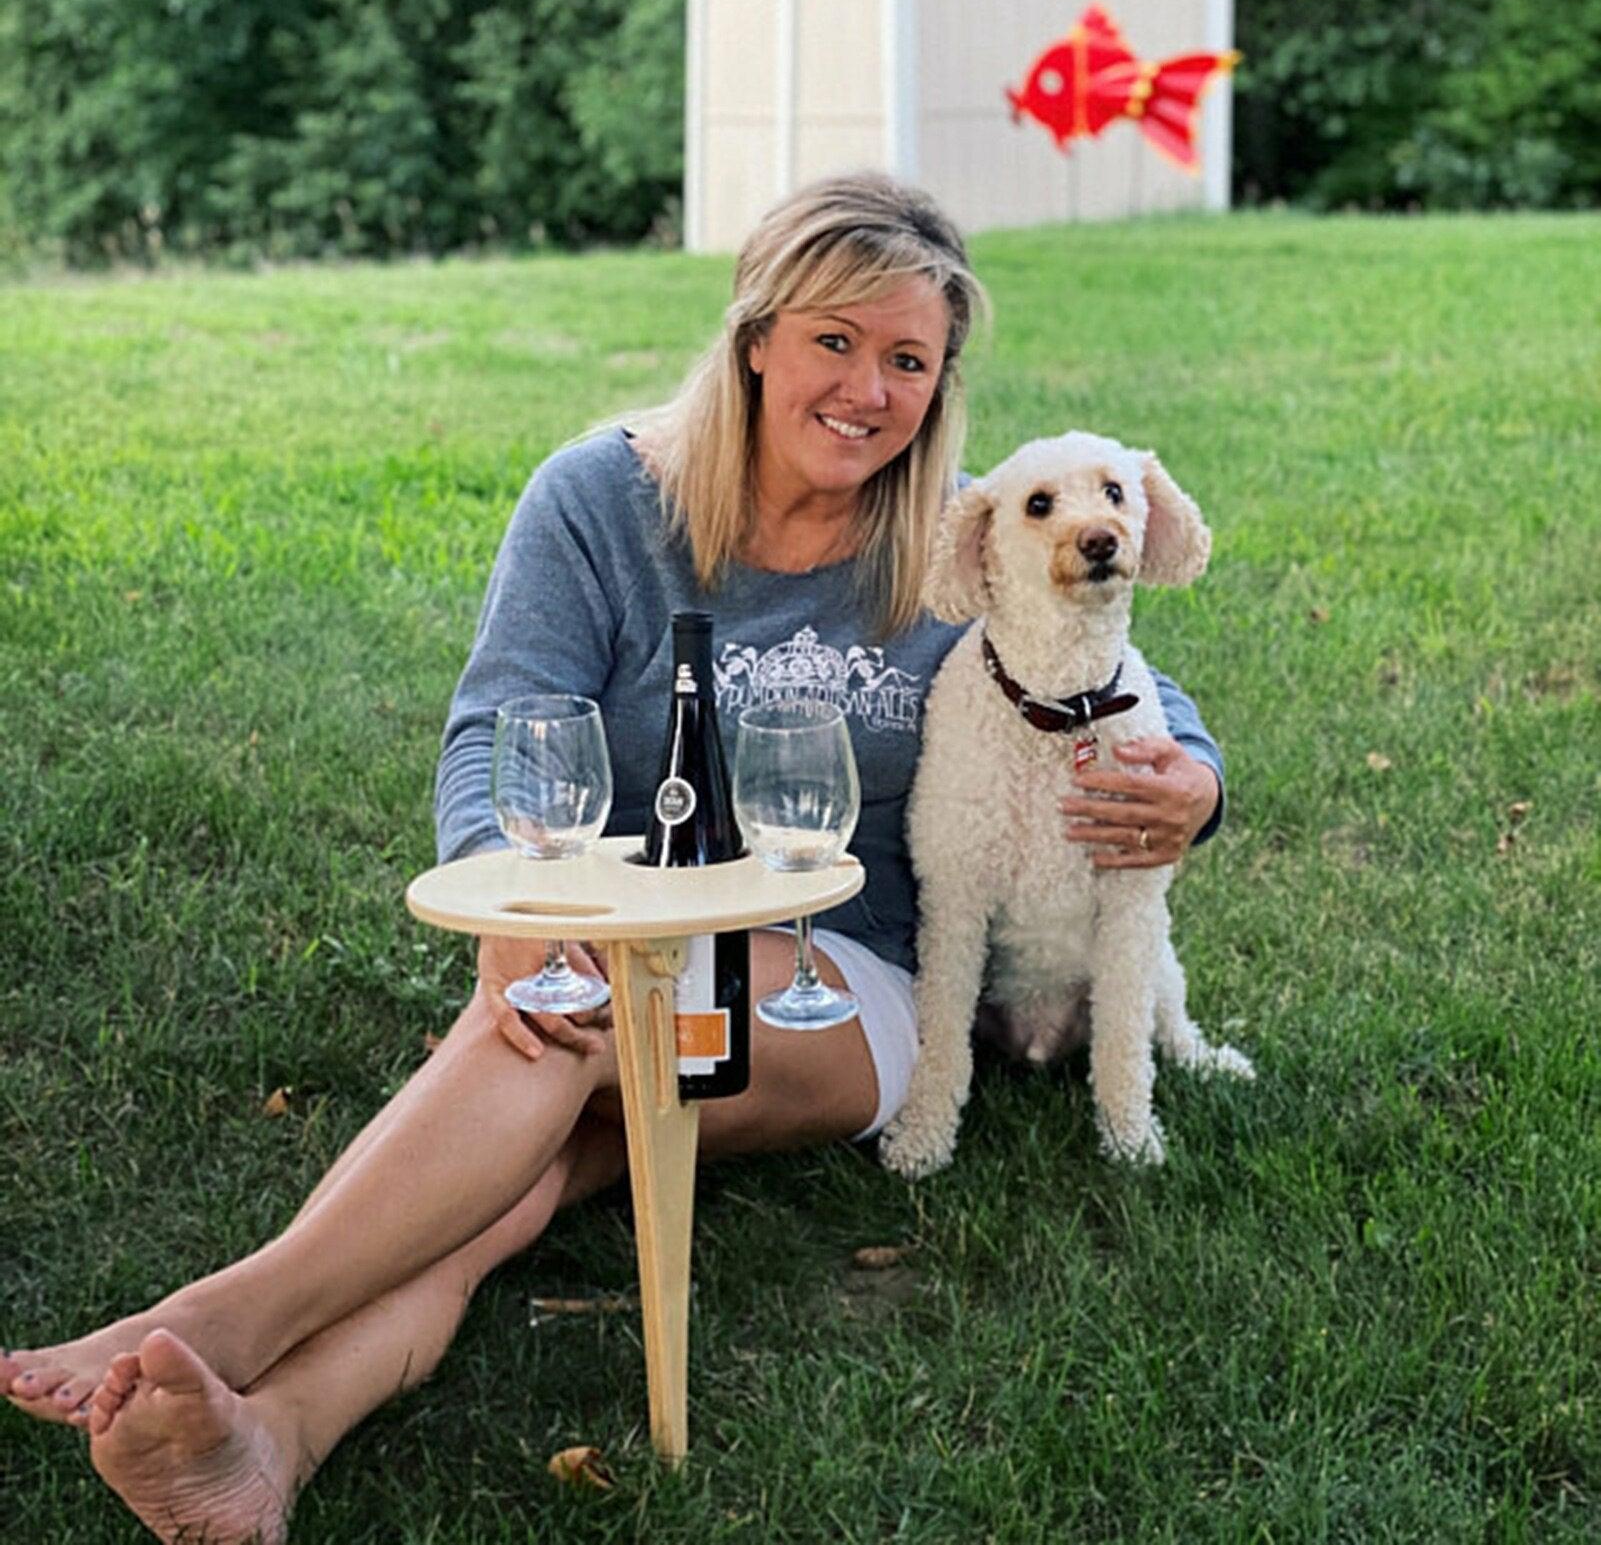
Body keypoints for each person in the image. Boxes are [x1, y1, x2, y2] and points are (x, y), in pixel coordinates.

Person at [0, 173, 1225, 1544]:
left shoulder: (951, 538)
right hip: (604, 929)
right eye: (834, 340)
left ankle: (220, 1314)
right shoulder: (600, 499)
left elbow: (1124, 679)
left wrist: (1201, 780)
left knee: (573, 1040)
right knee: (517, 1175)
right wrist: (508, 905)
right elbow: (492, 727)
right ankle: (267, 1443)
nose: (868, 390)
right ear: (756, 335)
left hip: (840, 981)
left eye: (906, 361)